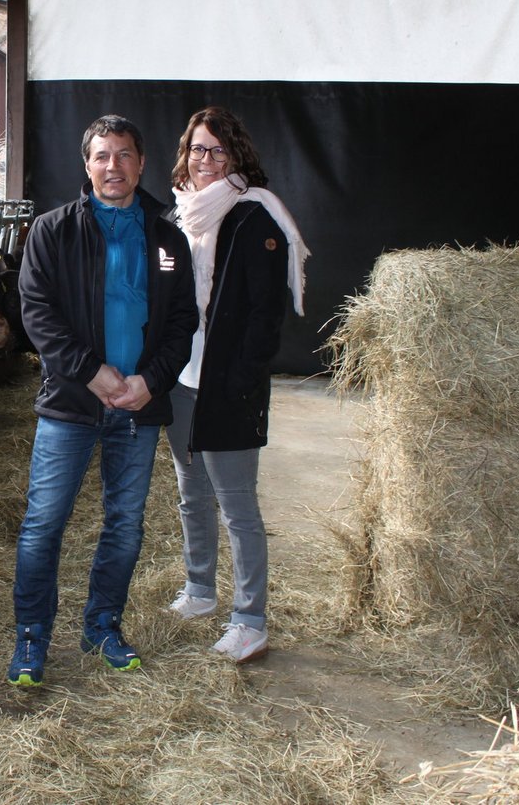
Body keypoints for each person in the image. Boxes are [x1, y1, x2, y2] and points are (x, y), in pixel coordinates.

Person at [8, 114, 197, 687]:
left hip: (139, 408)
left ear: (141, 164)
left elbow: (182, 322)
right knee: (44, 524)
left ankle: (102, 626)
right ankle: (31, 638)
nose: (112, 166)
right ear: (86, 166)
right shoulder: (52, 230)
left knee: (125, 526)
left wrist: (150, 382)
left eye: (123, 156)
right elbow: (37, 312)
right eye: (101, 156)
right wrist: (91, 373)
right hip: (71, 405)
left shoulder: (168, 237)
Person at [163, 106, 309, 664]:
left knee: (237, 506)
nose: (206, 161)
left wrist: (242, 380)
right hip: (180, 381)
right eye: (198, 149)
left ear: (237, 156)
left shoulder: (255, 217)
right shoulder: (180, 217)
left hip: (226, 383)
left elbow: (264, 315)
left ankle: (250, 619)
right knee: (191, 495)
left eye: (218, 151)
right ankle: (200, 590)